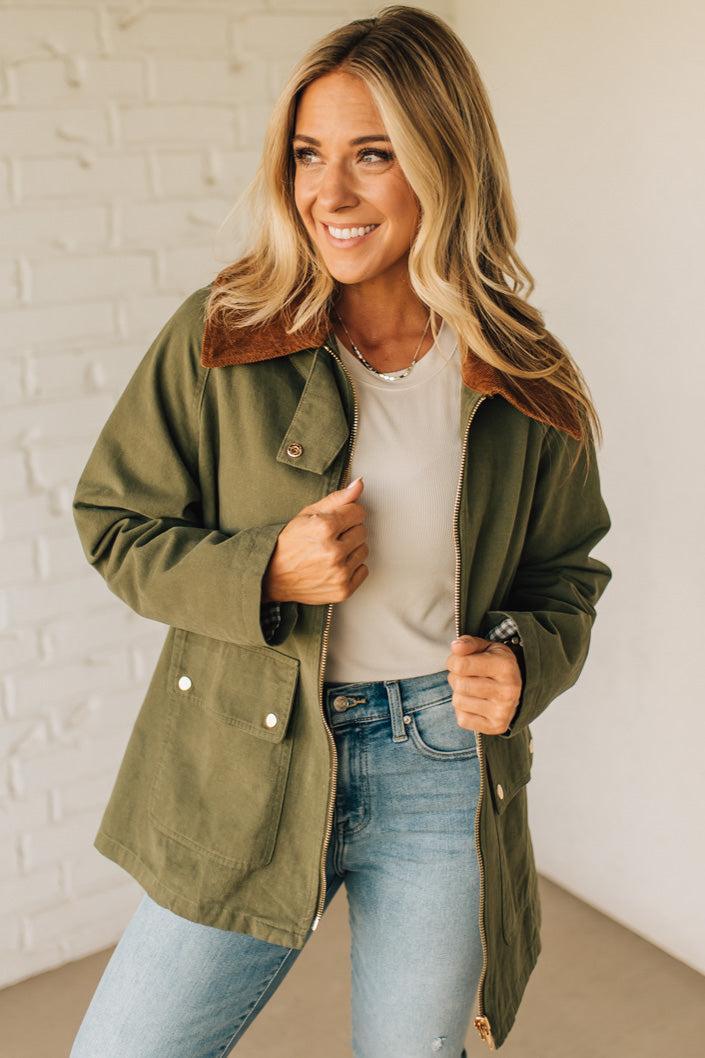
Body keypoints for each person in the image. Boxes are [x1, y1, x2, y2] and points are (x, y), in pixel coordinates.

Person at [68, 6, 612, 1056]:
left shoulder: (523, 366)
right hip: (248, 759)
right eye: (309, 155)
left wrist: (521, 658)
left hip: (440, 770)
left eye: (374, 154)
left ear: (444, 159)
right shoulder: (223, 332)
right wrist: (265, 567)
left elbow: (565, 569)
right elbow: (115, 522)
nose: (329, 194)